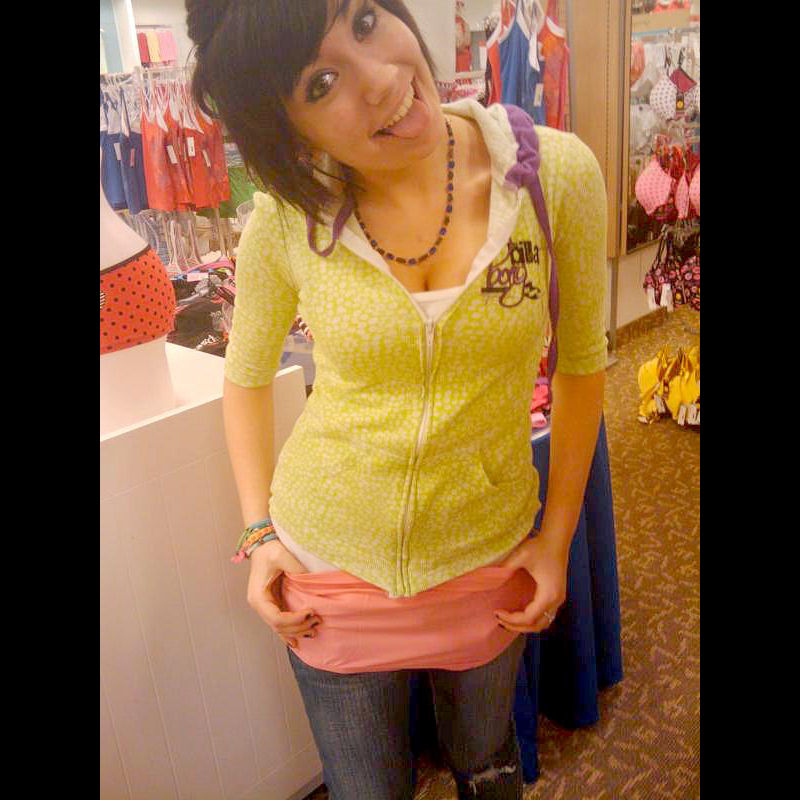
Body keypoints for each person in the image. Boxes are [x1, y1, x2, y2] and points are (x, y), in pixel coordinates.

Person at [186, 2, 607, 798]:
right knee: (367, 789)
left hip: (486, 552)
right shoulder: (287, 216)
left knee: (487, 766)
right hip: (328, 563)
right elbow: (244, 377)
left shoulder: (554, 175)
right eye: (321, 82)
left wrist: (556, 541)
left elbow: (583, 367)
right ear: (286, 127)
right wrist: (258, 531)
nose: (381, 79)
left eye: (365, 22)